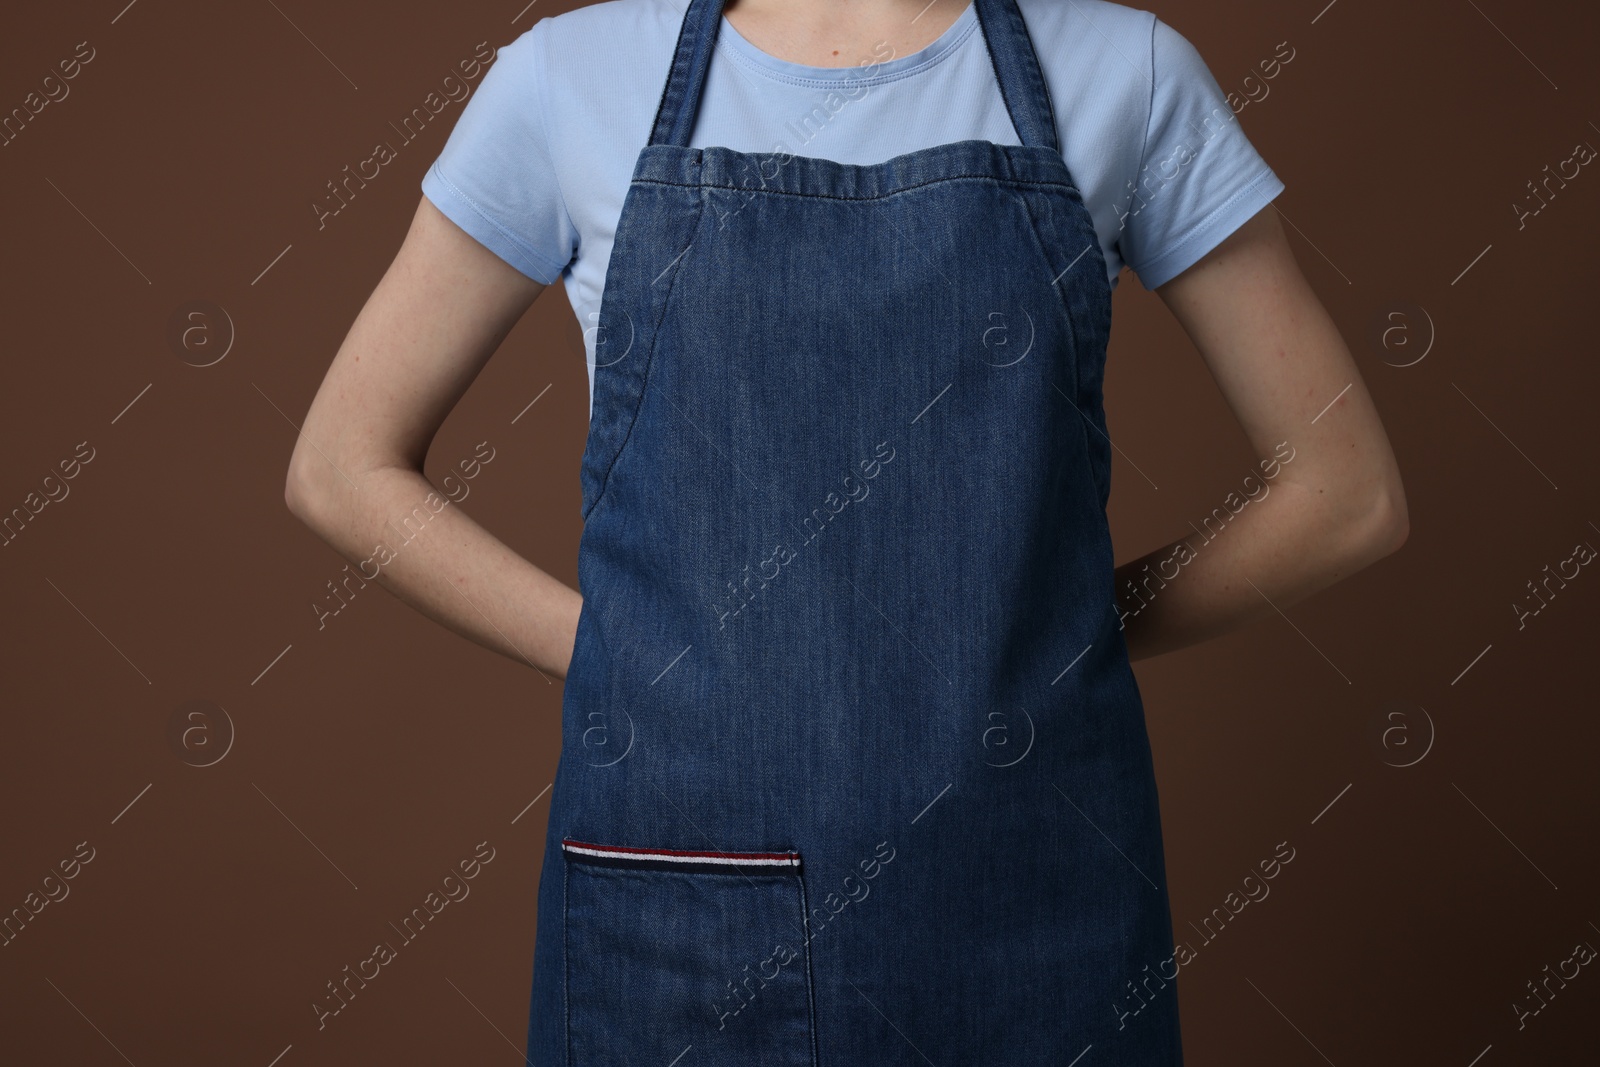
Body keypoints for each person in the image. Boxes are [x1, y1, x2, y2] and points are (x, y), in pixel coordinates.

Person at [285, 0, 1408, 1062]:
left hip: (1028, 885)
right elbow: (342, 468)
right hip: (683, 897)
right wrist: (625, 651)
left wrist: (1050, 631)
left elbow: (1343, 495)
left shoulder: (1126, 72)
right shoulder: (566, 80)